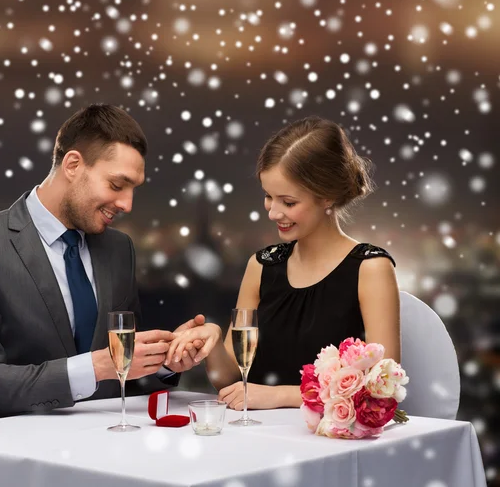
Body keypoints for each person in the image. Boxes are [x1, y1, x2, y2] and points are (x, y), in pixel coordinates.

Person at [0, 104, 204, 423]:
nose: (127, 204)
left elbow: (124, 378)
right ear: (73, 164)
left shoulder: (120, 249)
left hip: (111, 444)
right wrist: (97, 366)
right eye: (117, 185)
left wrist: (163, 360)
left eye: (133, 190)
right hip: (13, 450)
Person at [166, 116, 400, 411]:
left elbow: (382, 386)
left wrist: (279, 396)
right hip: (257, 438)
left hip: (331, 445)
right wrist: (212, 340)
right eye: (268, 197)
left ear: (327, 196)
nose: (273, 212)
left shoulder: (371, 268)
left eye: (288, 202)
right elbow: (229, 380)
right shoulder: (261, 266)